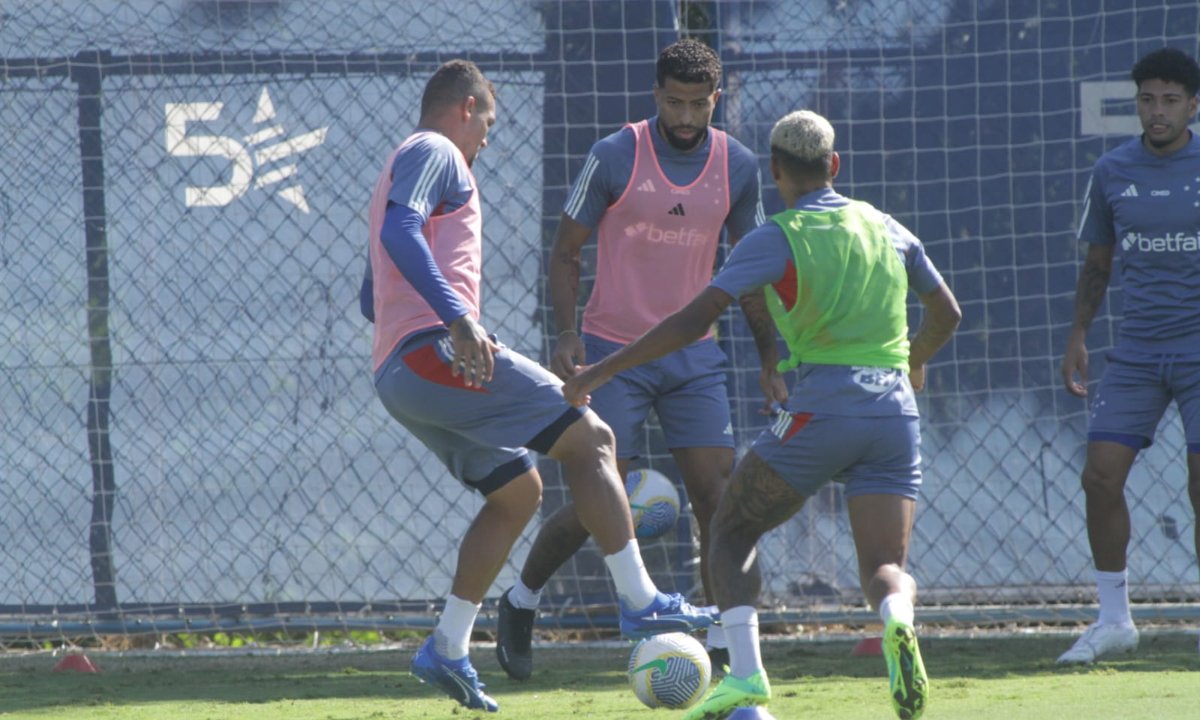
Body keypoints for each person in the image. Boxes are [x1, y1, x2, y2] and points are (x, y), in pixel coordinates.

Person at [562, 109, 961, 720]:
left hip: (822, 413)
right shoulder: (888, 228)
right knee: (885, 568)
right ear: (834, 166)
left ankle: (746, 679)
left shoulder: (777, 237)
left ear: (775, 171)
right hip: (894, 418)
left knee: (729, 527)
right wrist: (914, 359)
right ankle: (898, 618)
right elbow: (947, 314)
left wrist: (601, 371)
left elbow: (693, 322)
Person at [363, 59, 715, 713]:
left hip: (401, 373)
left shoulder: (401, 164)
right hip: (432, 356)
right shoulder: (436, 149)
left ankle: (447, 646)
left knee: (517, 492)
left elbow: (372, 287)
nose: (488, 141)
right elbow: (399, 232)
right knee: (593, 437)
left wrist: (440, 324)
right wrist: (460, 321)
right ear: (465, 108)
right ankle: (640, 604)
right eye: (487, 124)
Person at [495, 38, 770, 680]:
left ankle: (733, 645)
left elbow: (752, 271)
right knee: (600, 494)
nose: (685, 116)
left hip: (695, 358)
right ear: (656, 96)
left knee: (719, 498)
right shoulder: (615, 155)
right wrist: (567, 331)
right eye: (674, 102)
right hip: (613, 355)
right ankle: (520, 601)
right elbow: (565, 251)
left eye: (698, 104)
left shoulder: (740, 165)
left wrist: (769, 360)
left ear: (715, 101)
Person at [1058, 46, 1200, 664]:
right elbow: (1097, 264)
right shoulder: (1112, 169)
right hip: (1138, 352)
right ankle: (1115, 619)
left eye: (1171, 100)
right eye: (1148, 99)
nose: (1158, 111)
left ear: (1193, 105)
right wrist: (1077, 336)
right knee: (1099, 476)